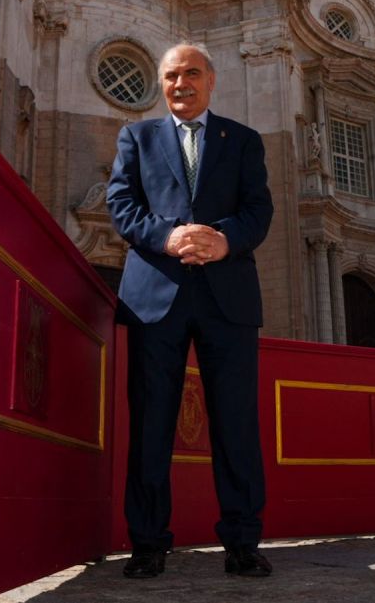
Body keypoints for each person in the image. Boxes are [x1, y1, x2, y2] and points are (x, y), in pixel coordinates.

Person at [106, 43, 274, 578]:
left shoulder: (243, 141)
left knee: (236, 426)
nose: (181, 84)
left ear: (211, 80)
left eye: (192, 74)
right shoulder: (137, 137)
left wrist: (223, 240)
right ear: (163, 84)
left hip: (228, 297)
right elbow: (121, 205)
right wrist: (169, 236)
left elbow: (259, 209)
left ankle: (243, 543)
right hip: (157, 296)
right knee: (152, 424)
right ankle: (149, 543)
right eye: (172, 76)